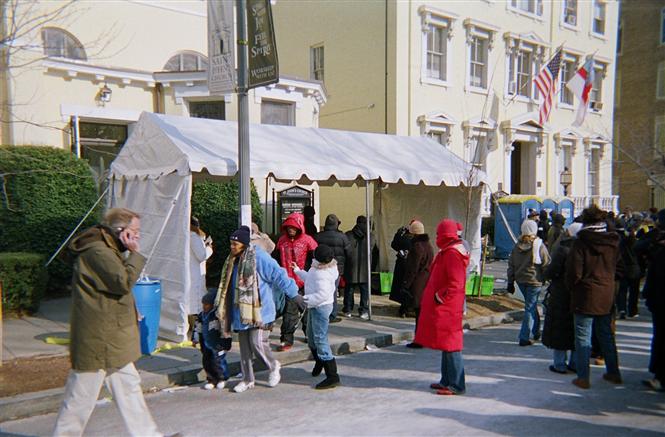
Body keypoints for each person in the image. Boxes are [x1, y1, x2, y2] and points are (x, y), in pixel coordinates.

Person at [53, 208, 163, 437]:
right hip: (99, 340)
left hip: (110, 338)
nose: (138, 236)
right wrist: (135, 254)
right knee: (80, 398)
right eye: (135, 231)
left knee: (130, 388)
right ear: (121, 232)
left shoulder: (106, 248)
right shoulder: (97, 252)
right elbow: (122, 282)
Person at [215, 226, 301, 393]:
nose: (232, 247)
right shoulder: (232, 259)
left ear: (245, 244)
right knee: (245, 348)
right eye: (231, 244)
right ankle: (247, 379)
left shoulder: (259, 257)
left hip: (260, 310)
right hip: (240, 311)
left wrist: (294, 294)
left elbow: (278, 274)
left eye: (235, 244)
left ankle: (273, 365)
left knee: (257, 343)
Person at [565, 205, 622, 390]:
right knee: (606, 334)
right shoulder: (613, 243)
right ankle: (613, 372)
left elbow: (574, 272)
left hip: (585, 294)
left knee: (583, 338)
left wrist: (572, 287)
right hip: (606, 292)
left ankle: (583, 377)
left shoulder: (580, 243)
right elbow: (617, 268)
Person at [415, 219, 470, 396]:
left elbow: (456, 282)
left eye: (439, 233)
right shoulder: (448, 251)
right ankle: (447, 380)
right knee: (447, 345)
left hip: (448, 307)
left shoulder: (452, 254)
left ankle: (456, 384)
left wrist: (441, 297)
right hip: (447, 306)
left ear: (445, 235)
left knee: (451, 345)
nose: (437, 236)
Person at [293, 244, 341, 389]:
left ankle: (332, 376)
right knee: (312, 337)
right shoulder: (321, 268)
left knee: (320, 339)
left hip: (320, 307)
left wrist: (304, 299)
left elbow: (322, 294)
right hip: (316, 306)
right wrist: (298, 271)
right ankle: (320, 360)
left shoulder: (322, 273)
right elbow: (310, 279)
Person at [274, 212, 318, 351]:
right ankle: (286, 339)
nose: (290, 230)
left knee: (307, 311)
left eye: (293, 227)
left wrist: (312, 275)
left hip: (305, 281)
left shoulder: (308, 241)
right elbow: (275, 259)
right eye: (288, 227)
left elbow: (317, 259)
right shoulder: (281, 241)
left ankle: (309, 335)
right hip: (288, 283)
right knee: (290, 312)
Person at [542, 223, 582, 374]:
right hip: (579, 294)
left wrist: (548, 274)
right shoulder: (584, 249)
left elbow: (552, 271)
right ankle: (575, 363)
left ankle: (559, 363)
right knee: (576, 329)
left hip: (561, 293)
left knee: (559, 327)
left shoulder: (563, 249)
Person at [507, 219, 551, 346]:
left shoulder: (517, 246)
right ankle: (524, 336)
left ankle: (536, 331)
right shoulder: (539, 245)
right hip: (535, 280)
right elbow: (546, 263)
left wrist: (510, 281)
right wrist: (549, 278)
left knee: (530, 306)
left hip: (521, 280)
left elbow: (511, 265)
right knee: (530, 307)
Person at [635, 209, 665, 392]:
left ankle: (660, 376)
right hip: (658, 299)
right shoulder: (657, 244)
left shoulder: (660, 250)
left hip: (661, 300)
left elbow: (639, 248)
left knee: (661, 338)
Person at [401, 221, 433, 349]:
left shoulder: (417, 246)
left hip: (418, 283)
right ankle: (423, 338)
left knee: (419, 313)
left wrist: (406, 284)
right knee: (422, 313)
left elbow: (412, 269)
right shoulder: (428, 245)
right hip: (426, 281)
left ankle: (419, 340)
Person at [315, 214, 352, 323]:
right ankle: (332, 314)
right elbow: (349, 253)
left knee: (320, 290)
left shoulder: (317, 236)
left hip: (320, 267)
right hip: (336, 269)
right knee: (332, 291)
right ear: (336, 224)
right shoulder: (342, 237)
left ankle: (320, 313)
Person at [192, 291, 231, 390]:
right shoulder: (201, 316)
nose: (204, 307)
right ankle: (211, 379)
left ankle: (222, 378)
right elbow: (197, 328)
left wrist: (226, 343)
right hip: (205, 344)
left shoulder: (217, 316)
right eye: (203, 304)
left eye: (207, 304)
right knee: (207, 362)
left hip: (217, 344)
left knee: (218, 361)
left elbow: (225, 330)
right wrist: (195, 339)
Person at [343, 215, 377, 320]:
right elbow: (372, 249)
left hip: (351, 265)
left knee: (349, 289)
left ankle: (348, 309)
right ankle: (363, 310)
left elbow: (345, 250)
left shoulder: (348, 235)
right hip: (365, 266)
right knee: (365, 290)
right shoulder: (370, 236)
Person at [389, 222, 414, 317]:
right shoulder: (415, 240)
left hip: (402, 265)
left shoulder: (404, 239)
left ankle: (404, 309)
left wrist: (398, 234)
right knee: (407, 287)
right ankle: (406, 308)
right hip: (411, 268)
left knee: (403, 287)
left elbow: (394, 244)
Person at [616, 222, 641, 319]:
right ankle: (633, 310)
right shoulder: (637, 243)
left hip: (624, 267)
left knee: (622, 290)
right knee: (634, 291)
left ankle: (622, 309)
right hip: (634, 268)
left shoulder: (621, 243)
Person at [189, 217, 213, 316]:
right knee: (196, 300)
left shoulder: (185, 235)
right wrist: (209, 248)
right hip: (195, 272)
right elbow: (201, 255)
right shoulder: (193, 236)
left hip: (190, 271)